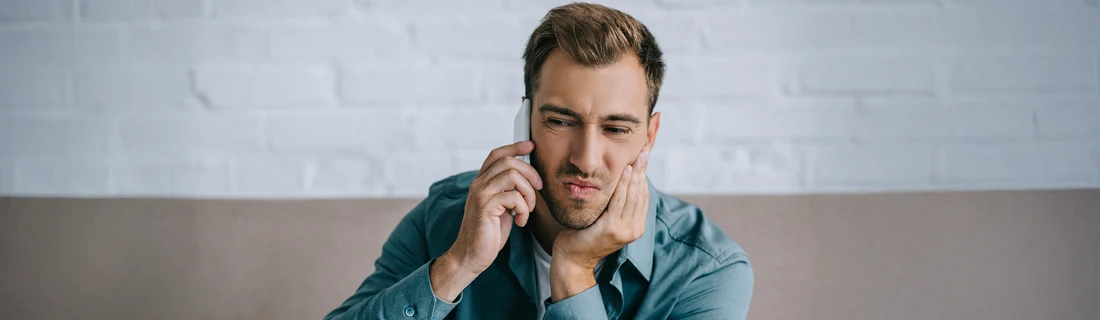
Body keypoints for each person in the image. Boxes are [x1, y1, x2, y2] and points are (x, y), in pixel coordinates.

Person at [324, 3, 752, 319]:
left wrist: (574, 271)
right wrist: (458, 263)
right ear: (524, 120)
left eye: (616, 129)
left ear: (649, 136)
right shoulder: (446, 216)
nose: (586, 160)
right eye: (561, 121)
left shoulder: (706, 272)